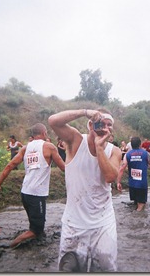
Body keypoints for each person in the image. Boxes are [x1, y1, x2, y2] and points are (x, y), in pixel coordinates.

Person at [48, 108, 121, 272]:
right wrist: (84, 111)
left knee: (106, 267)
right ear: (90, 125)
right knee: (70, 268)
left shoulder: (114, 150)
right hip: (74, 222)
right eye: (101, 123)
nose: (105, 128)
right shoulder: (75, 140)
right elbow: (53, 121)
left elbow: (110, 177)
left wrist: (100, 148)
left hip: (103, 221)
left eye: (109, 125)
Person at [0, 123, 65, 248]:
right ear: (44, 133)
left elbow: (10, 166)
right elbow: (64, 168)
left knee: (35, 225)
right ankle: (10, 245)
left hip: (25, 193)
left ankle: (35, 244)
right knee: (36, 230)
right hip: (37, 194)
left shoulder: (25, 148)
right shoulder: (49, 147)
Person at [117, 137, 150, 211]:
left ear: (131, 145)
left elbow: (122, 168)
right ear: (140, 144)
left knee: (135, 202)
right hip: (142, 184)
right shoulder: (146, 154)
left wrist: (118, 182)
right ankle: (136, 219)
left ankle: (134, 217)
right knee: (141, 205)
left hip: (132, 184)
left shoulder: (127, 154)